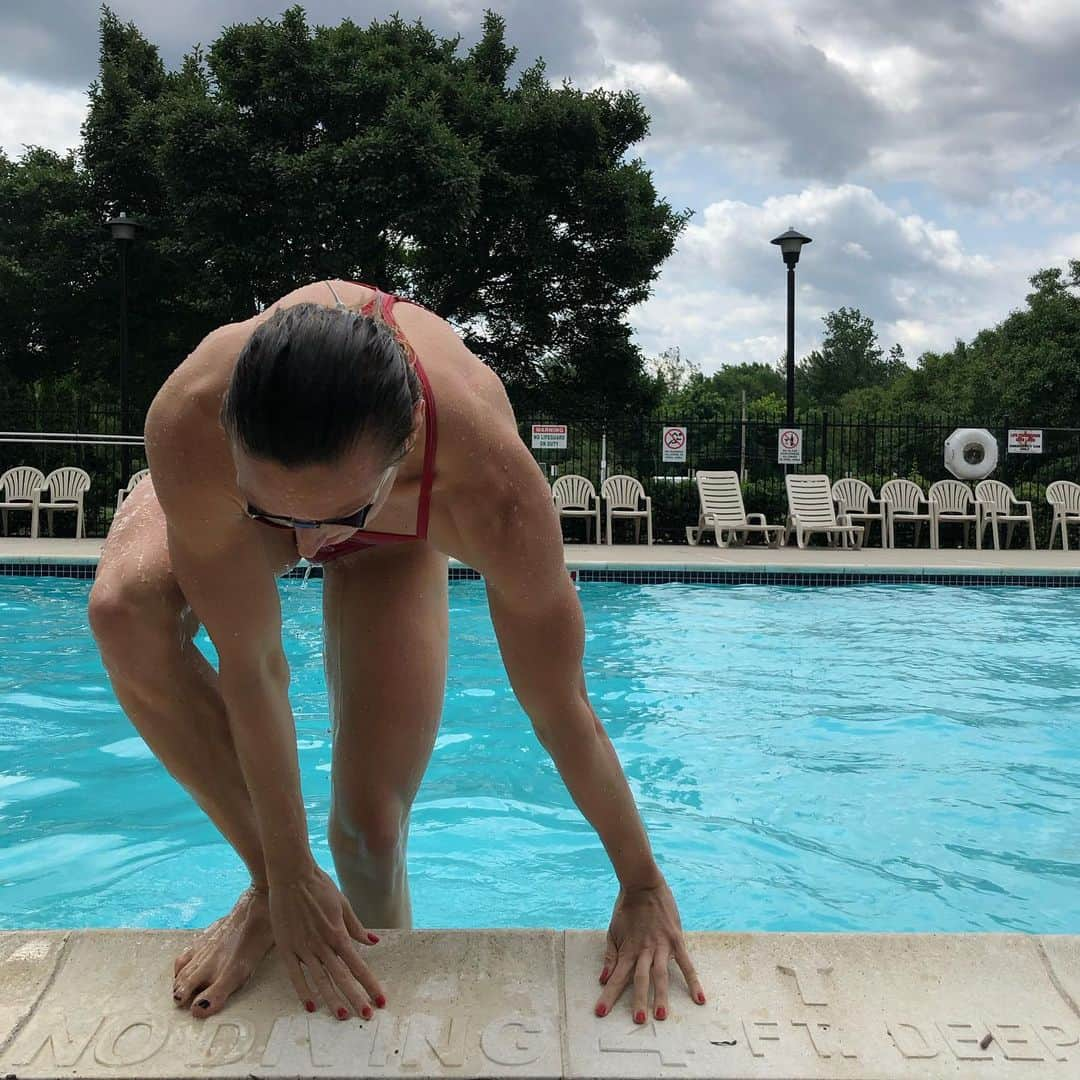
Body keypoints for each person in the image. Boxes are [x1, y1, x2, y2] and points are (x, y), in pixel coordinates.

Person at [88, 278, 706, 1025]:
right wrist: (281, 875)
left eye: (334, 519)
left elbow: (559, 705)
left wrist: (640, 883)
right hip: (266, 486)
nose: (309, 549)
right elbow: (254, 667)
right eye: (277, 517)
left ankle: (379, 1010)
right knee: (125, 614)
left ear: (409, 437)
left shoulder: (488, 484)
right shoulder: (190, 417)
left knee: (370, 833)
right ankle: (273, 892)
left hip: (402, 528)